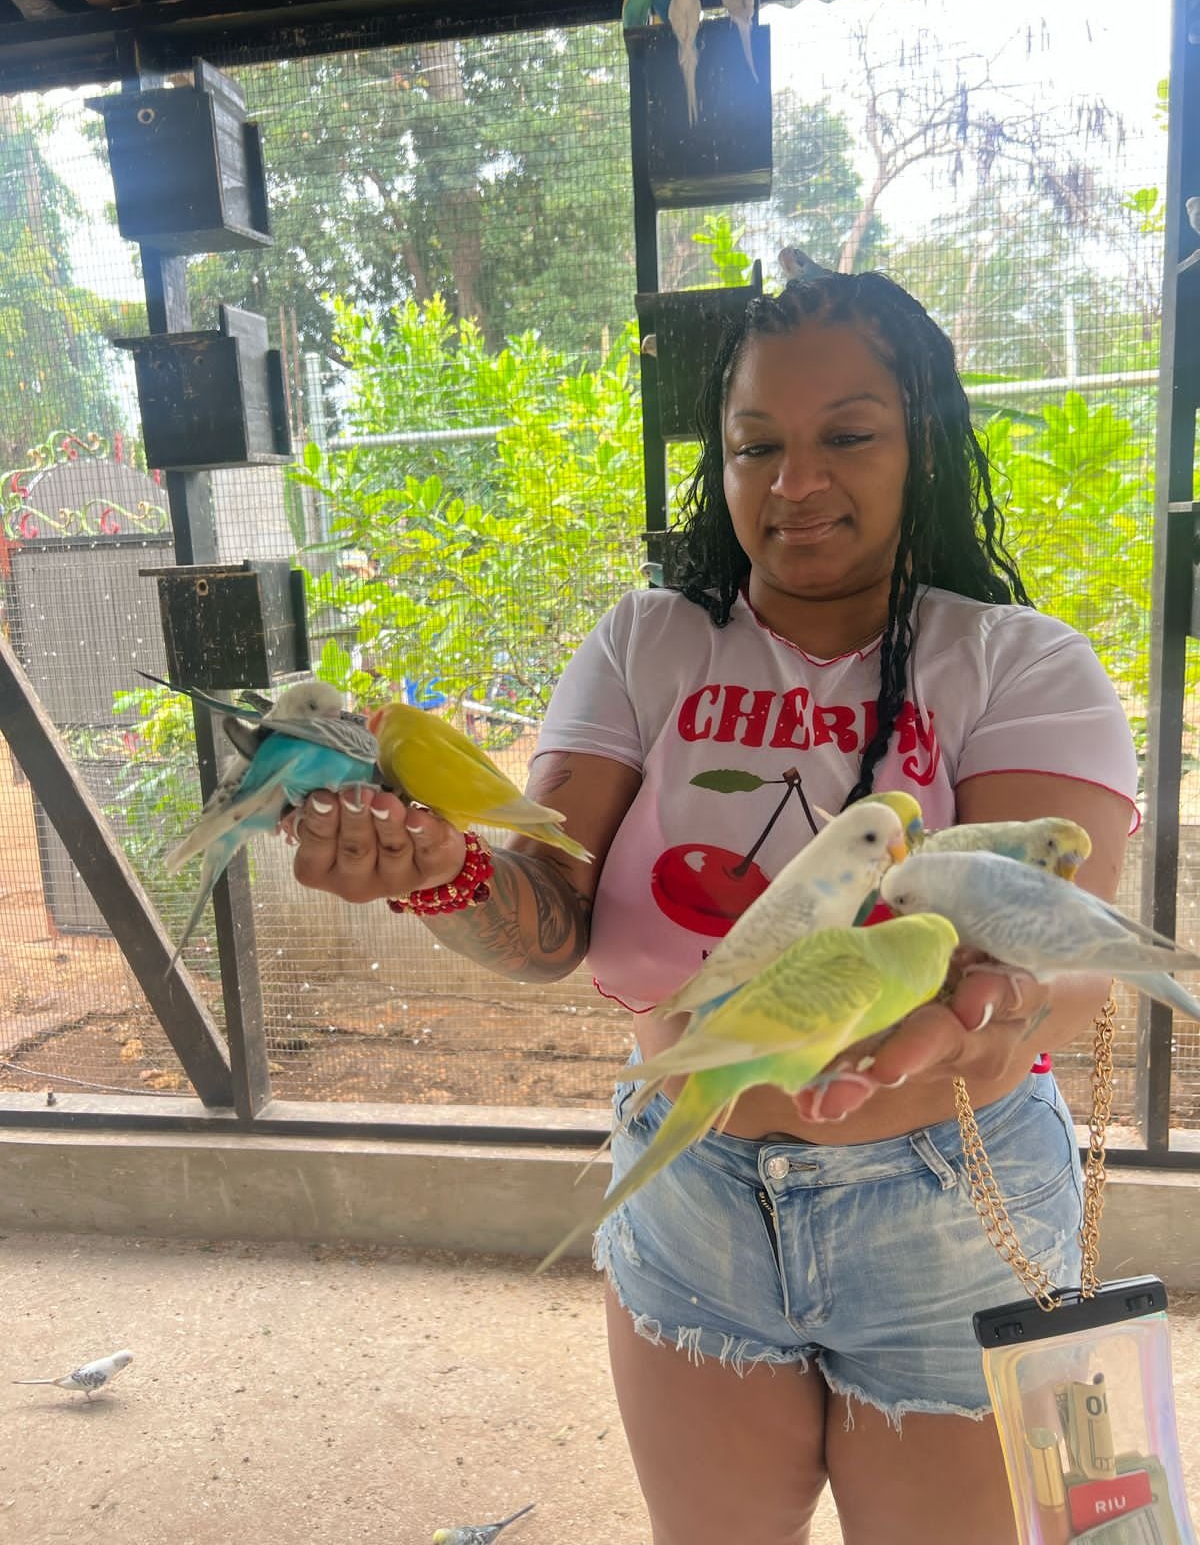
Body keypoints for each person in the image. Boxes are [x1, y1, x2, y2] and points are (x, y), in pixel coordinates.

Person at [289, 270, 1138, 1545]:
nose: (794, 481)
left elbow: (1049, 950)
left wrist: (992, 1011)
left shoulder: (1019, 662)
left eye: (848, 434)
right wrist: (440, 875)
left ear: (926, 442)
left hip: (950, 1198)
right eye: (755, 446)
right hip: (689, 1183)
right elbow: (548, 915)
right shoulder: (647, 645)